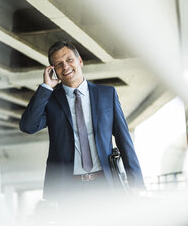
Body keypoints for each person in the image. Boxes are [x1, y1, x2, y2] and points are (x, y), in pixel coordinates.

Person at [19, 40, 144, 202]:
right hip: (69, 190)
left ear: (80, 61)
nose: (65, 66)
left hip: (106, 185)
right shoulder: (50, 101)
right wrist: (46, 87)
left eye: (69, 60)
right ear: (54, 71)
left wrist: (135, 183)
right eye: (58, 64)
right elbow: (28, 126)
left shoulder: (107, 94)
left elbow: (124, 139)